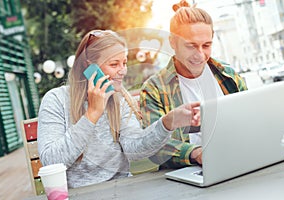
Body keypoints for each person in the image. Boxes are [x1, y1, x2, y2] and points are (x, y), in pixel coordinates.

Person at [37, 29, 201, 188]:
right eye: (114, 64)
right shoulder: (56, 100)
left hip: (122, 190)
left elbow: (135, 149)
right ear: (89, 67)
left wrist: (167, 123)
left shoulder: (119, 100)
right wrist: (92, 114)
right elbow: (51, 161)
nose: (122, 71)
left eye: (124, 63)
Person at [140, 0, 248, 169]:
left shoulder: (229, 75)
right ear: (173, 43)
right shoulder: (154, 89)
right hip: (189, 175)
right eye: (191, 46)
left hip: (235, 160)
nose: (200, 54)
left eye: (206, 45)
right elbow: (153, 146)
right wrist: (197, 153)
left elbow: (249, 120)